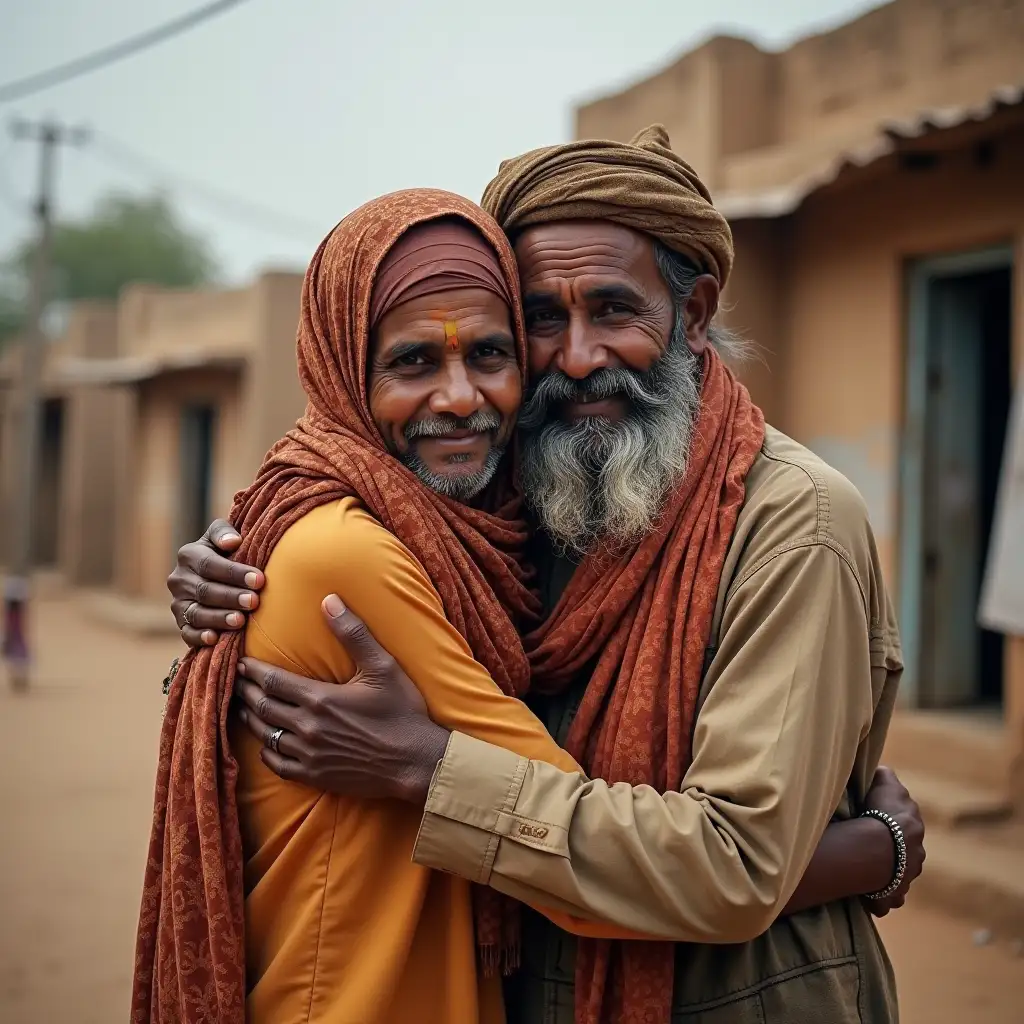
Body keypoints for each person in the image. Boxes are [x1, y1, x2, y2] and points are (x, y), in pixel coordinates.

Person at [166, 128, 920, 1024]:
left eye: (612, 310)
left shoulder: (794, 524)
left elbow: (736, 867)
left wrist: (431, 769)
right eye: (541, 321)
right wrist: (239, 559)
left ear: (695, 310)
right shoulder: (512, 488)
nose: (576, 357)